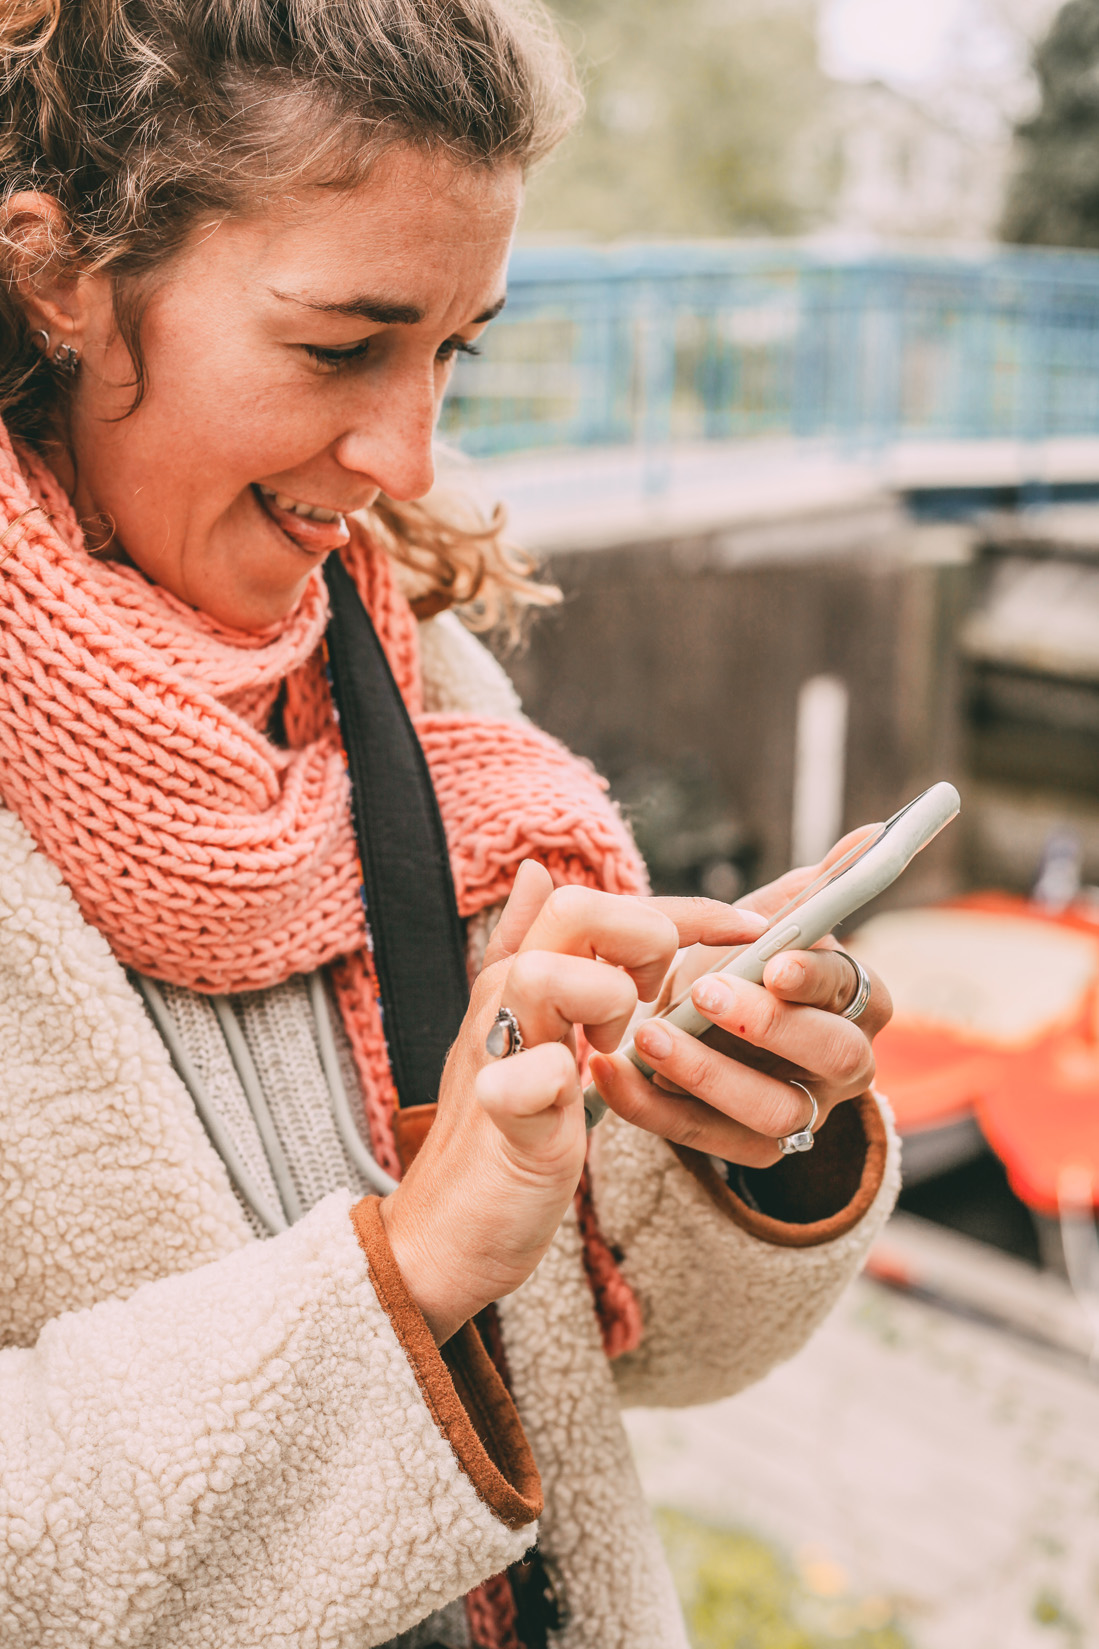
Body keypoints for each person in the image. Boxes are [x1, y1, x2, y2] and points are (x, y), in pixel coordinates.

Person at [0, 2, 899, 1645]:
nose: (407, 454)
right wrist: (402, 1280)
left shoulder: (417, 675)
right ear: (61, 277)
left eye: (454, 347)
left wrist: (731, 1134)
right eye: (342, 345)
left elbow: (649, 1353)